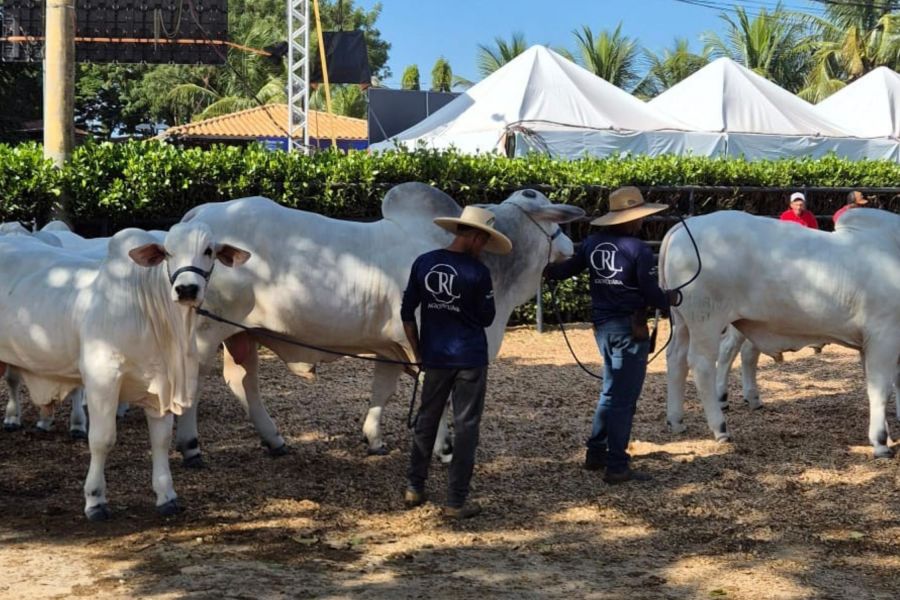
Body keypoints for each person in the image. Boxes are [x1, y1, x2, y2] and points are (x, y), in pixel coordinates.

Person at [544, 186, 677, 484]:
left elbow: (565, 270)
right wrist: (671, 299)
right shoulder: (639, 250)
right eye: (639, 217)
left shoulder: (592, 243)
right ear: (630, 219)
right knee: (624, 398)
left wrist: (546, 270)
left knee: (610, 390)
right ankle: (617, 464)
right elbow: (649, 292)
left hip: (603, 328)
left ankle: (596, 453)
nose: (642, 222)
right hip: (630, 329)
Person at [400, 205, 512, 519]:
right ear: (475, 237)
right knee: (466, 427)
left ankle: (414, 486)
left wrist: (418, 351)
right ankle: (456, 500)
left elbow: (407, 314)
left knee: (427, 420)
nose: (485, 248)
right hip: (470, 359)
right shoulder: (478, 273)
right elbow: (487, 317)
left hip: (435, 356)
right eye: (484, 241)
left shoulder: (424, 262)